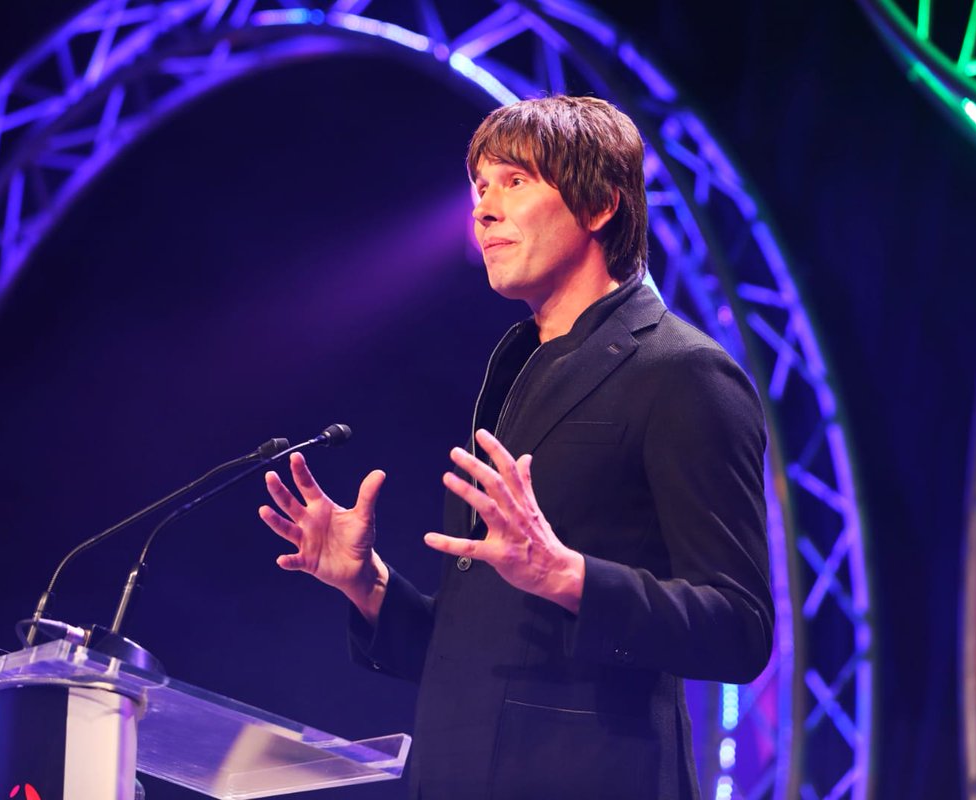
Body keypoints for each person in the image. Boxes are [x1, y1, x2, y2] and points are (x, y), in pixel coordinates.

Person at [258, 95, 773, 800]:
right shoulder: (513, 370)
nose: (483, 209)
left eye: (515, 181)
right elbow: (481, 656)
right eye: (479, 187)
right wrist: (366, 583)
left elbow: (739, 628)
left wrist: (569, 576)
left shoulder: (683, 372)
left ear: (599, 208)